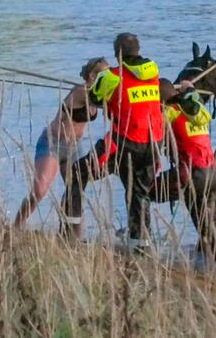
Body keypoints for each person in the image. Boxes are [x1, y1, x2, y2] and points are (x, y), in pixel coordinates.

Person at [63, 33, 164, 252]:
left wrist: (92, 85)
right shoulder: (153, 73)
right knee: (139, 193)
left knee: (78, 173)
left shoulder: (111, 77)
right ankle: (141, 247)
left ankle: (68, 235)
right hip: (155, 144)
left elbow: (97, 99)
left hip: (125, 142)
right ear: (138, 51)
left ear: (118, 54)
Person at [14, 57, 108, 228]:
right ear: (88, 75)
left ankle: (72, 234)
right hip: (53, 142)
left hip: (74, 147)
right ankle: (16, 226)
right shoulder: (81, 91)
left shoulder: (98, 92)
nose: (99, 77)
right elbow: (101, 101)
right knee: (40, 190)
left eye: (103, 74)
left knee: (75, 193)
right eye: (96, 73)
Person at [150, 78, 216, 259]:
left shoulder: (170, 112)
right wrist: (190, 90)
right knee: (206, 226)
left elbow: (153, 129)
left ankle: (139, 238)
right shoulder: (198, 109)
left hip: (192, 174)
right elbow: (194, 101)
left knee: (144, 191)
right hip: (213, 173)